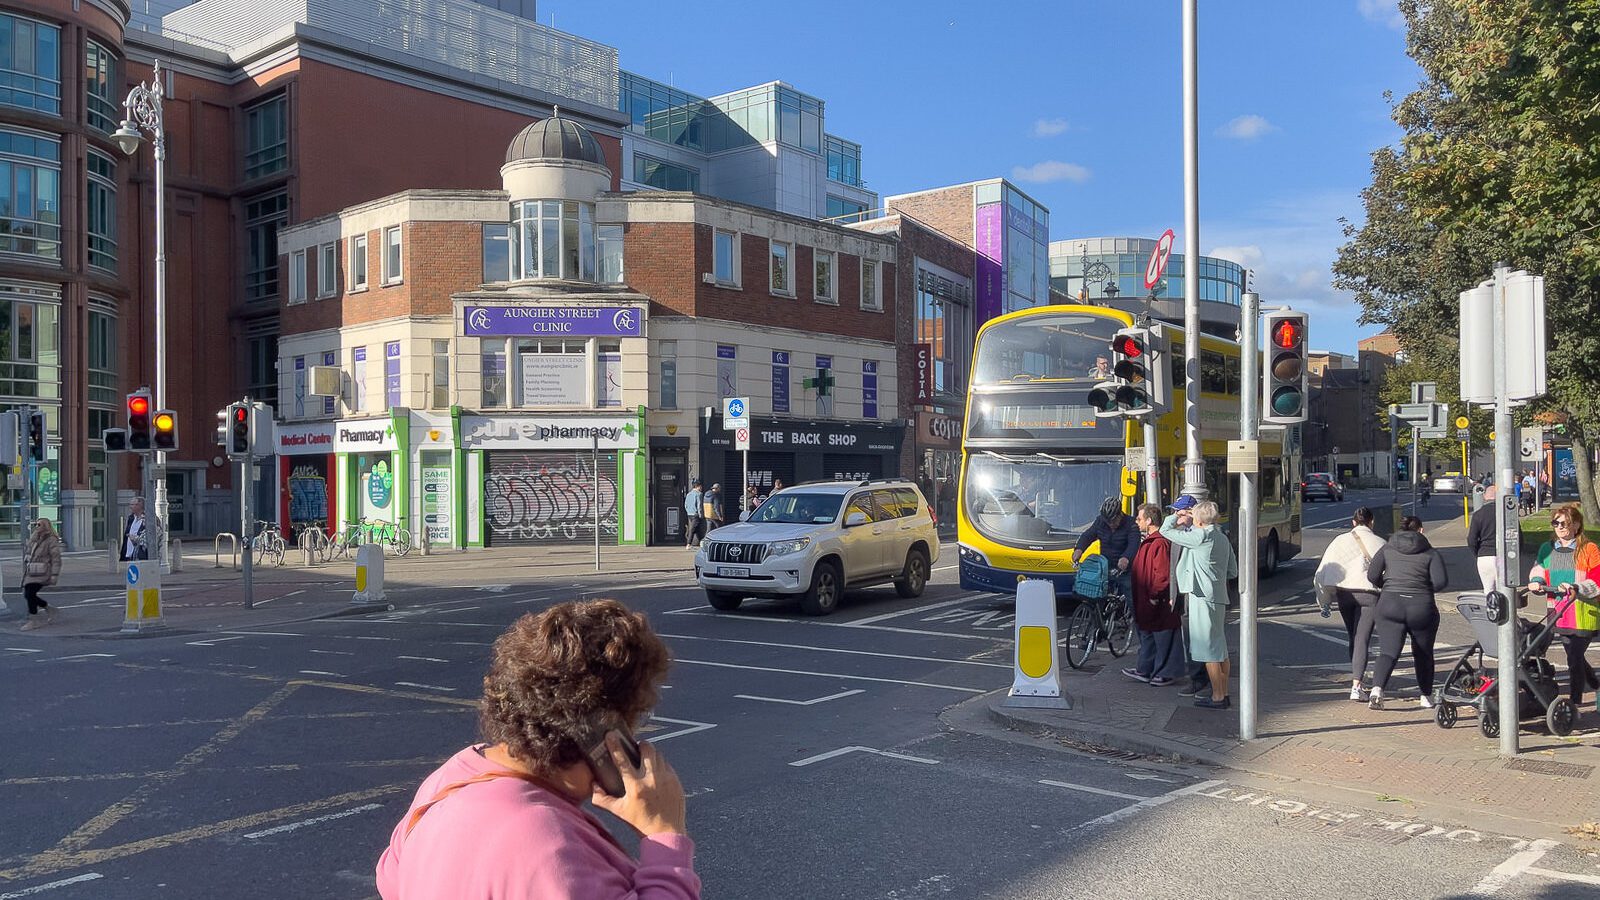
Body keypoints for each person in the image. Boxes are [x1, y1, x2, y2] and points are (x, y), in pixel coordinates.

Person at [376, 599, 700, 899]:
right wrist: (664, 836)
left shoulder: (453, 777)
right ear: (605, 733)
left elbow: (391, 876)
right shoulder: (549, 848)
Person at [1161, 498, 1238, 709]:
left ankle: (1218, 696)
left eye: (1193, 516)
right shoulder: (1221, 537)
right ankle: (1225, 692)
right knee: (1220, 647)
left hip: (1201, 596)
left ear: (1200, 520)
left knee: (1209, 649)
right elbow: (1233, 570)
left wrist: (1176, 516)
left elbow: (1165, 531)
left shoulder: (1201, 536)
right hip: (1218, 596)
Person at [1365, 516, 1448, 710]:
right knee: (1423, 653)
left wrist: (1386, 587)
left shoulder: (1387, 548)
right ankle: (1426, 696)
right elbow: (1441, 582)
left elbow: (1372, 575)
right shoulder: (1430, 552)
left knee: (1387, 651)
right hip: (1421, 607)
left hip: (1389, 604)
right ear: (1421, 530)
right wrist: (1423, 587)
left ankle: (1377, 690)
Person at [1527, 504, 1600, 712]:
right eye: (1555, 523)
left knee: (1574, 658)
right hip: (1558, 612)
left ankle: (1574, 703)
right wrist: (1536, 581)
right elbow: (1538, 569)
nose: (1559, 527)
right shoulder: (1546, 549)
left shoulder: (1589, 549)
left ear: (1576, 525)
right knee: (1573, 657)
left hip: (1583, 612)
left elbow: (1597, 581)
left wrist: (1576, 587)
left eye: (1564, 523)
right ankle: (1596, 685)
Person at [1313, 507, 1386, 701]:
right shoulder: (1380, 542)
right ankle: (1357, 684)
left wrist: (1324, 601)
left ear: (1353, 522)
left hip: (1344, 595)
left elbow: (1322, 572)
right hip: (1370, 596)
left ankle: (1357, 678)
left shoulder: (1339, 541)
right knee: (1362, 638)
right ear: (1372, 522)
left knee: (1353, 637)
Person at [1122, 503, 1185, 686]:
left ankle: (1164, 673)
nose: (1136, 521)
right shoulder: (1152, 540)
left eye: (1139, 518)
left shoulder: (1158, 542)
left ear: (1149, 520)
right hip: (1147, 599)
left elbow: (1162, 574)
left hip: (1156, 601)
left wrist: (1154, 596)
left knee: (1161, 636)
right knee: (1149, 635)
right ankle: (1145, 669)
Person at [1071, 497, 1138, 600]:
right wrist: (1079, 549)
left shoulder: (1131, 523)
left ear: (1120, 514)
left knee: (1131, 597)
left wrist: (1126, 557)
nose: (1111, 524)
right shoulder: (1100, 521)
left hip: (1124, 569)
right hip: (1105, 566)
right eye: (1108, 522)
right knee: (1095, 594)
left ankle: (1134, 615)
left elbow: (1133, 544)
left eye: (1113, 521)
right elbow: (1088, 535)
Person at [18, 518, 62, 632]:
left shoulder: (51, 540)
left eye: (39, 524)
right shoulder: (34, 538)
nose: (37, 526)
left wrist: (54, 575)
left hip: (43, 571)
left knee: (30, 593)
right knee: (28, 595)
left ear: (46, 526)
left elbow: (56, 559)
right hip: (32, 571)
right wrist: (27, 558)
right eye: (36, 524)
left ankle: (34, 620)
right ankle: (49, 608)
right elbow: (28, 552)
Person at [1467, 484, 1499, 594]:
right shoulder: (1506, 513)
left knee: (1489, 591)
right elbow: (1518, 536)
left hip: (1485, 556)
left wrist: (1478, 553)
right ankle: (1507, 611)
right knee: (1506, 590)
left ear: (1485, 497)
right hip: (1504, 556)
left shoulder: (1478, 514)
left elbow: (1471, 540)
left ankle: (1491, 610)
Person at [120, 496, 149, 561]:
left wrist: (136, 539)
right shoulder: (131, 518)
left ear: (140, 506)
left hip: (140, 555)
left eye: (133, 505)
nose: (130, 507)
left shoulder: (147, 519)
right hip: (128, 554)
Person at [682, 480, 703, 549]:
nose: (701, 488)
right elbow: (699, 505)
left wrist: (688, 511)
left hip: (689, 514)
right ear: (698, 486)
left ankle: (701, 542)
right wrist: (700, 514)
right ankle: (688, 544)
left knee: (697, 529)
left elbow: (685, 505)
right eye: (700, 486)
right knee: (692, 529)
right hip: (695, 514)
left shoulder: (688, 494)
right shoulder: (699, 494)